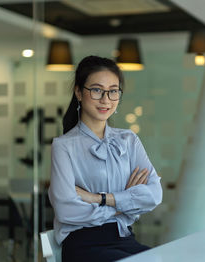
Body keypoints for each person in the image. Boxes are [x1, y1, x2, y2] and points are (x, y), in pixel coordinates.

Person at [48, 55, 163, 262]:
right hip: (83, 247)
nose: (106, 99)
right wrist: (125, 203)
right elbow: (67, 211)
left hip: (125, 239)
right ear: (78, 92)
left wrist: (97, 198)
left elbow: (154, 195)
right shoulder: (63, 146)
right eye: (97, 90)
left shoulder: (128, 140)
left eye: (113, 91)